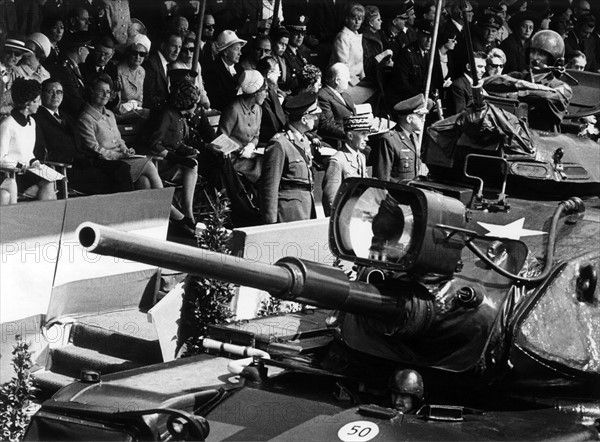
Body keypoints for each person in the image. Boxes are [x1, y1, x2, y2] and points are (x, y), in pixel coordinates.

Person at [34, 77, 134, 194]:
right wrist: (73, 160)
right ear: (41, 94)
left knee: (121, 168)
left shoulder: (67, 117)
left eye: (59, 92)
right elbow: (43, 152)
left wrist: (97, 156)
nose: (55, 95)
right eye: (51, 91)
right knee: (109, 178)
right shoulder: (37, 118)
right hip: (67, 167)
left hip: (85, 162)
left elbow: (81, 145)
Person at [77, 73, 163, 191]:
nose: (105, 95)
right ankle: (169, 208)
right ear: (91, 92)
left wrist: (125, 150)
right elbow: (93, 149)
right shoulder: (85, 119)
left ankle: (149, 209)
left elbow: (119, 140)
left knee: (144, 181)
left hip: (122, 160)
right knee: (149, 165)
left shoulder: (110, 114)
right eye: (101, 91)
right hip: (107, 165)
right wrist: (119, 155)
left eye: (108, 92)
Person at [484, 30, 573, 132]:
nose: (535, 57)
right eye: (532, 52)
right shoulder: (518, 77)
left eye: (541, 54)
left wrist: (517, 93)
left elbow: (548, 97)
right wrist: (520, 84)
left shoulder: (561, 87)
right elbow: (487, 83)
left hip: (544, 140)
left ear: (553, 59)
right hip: (515, 137)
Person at [147, 78, 200, 232]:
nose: (196, 107)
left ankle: (188, 213)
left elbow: (176, 142)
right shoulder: (167, 115)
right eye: (194, 103)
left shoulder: (180, 117)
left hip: (171, 160)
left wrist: (187, 150)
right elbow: (154, 144)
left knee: (193, 164)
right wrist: (176, 158)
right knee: (191, 166)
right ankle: (187, 218)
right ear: (187, 103)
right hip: (159, 162)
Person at [260, 92, 320, 224]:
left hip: (305, 208)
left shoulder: (304, 140)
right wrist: (271, 223)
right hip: (288, 212)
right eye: (313, 115)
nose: (315, 119)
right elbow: (270, 186)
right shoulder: (279, 144)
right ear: (304, 119)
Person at [0, 78, 55, 205]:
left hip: (26, 172)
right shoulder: (7, 124)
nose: (40, 105)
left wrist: (34, 161)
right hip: (10, 175)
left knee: (49, 181)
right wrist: (20, 166)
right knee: (46, 186)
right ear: (28, 103)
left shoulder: (32, 123)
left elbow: (28, 153)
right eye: (37, 101)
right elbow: (1, 157)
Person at [218, 69, 268, 183]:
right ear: (256, 92)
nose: (266, 94)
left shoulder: (258, 110)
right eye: (265, 91)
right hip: (233, 160)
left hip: (251, 157)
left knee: (271, 163)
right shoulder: (234, 109)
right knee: (264, 170)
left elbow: (256, 136)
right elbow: (221, 139)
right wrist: (240, 151)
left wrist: (250, 146)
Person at [371, 94, 431, 183]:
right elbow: (382, 178)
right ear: (409, 119)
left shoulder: (413, 137)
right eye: (420, 116)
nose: (424, 120)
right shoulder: (388, 140)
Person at [322, 114, 369, 216]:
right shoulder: (337, 160)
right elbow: (331, 198)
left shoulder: (361, 158)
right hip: (343, 217)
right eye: (363, 134)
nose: (367, 139)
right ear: (350, 136)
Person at [389, 19, 433, 108]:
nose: (429, 40)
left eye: (431, 36)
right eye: (425, 36)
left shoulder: (429, 54)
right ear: (418, 34)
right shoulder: (407, 54)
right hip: (405, 98)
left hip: (420, 98)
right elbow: (402, 84)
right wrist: (421, 96)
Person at [48, 31, 92, 118]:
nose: (89, 53)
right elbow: (74, 101)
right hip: (71, 117)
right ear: (80, 50)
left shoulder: (74, 67)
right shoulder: (63, 69)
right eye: (88, 49)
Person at [203, 30, 246, 112]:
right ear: (225, 51)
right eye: (237, 49)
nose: (240, 53)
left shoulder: (239, 69)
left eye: (240, 49)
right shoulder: (212, 71)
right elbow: (216, 101)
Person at [142, 30, 182, 109]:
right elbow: (149, 98)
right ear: (163, 46)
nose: (177, 51)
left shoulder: (168, 64)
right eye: (174, 46)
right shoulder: (151, 64)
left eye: (179, 47)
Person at [170, 31, 210, 109]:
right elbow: (188, 94)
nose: (189, 54)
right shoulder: (176, 67)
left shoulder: (196, 64)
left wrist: (206, 102)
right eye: (185, 50)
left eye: (191, 49)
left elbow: (201, 88)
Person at [317, 63, 355, 143]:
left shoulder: (345, 95)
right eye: (346, 77)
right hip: (340, 140)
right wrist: (351, 134)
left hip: (353, 137)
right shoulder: (323, 96)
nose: (349, 80)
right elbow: (328, 125)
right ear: (337, 80)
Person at [115, 33, 151, 118]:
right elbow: (116, 107)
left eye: (142, 54)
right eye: (134, 53)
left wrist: (133, 105)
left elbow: (140, 101)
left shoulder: (141, 71)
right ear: (128, 52)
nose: (138, 57)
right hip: (120, 115)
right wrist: (133, 105)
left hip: (136, 111)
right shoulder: (118, 71)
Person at [331, 3, 365, 87]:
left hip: (356, 80)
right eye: (354, 18)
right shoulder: (342, 37)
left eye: (360, 19)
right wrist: (358, 83)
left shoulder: (356, 35)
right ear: (346, 19)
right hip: (344, 81)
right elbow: (343, 65)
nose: (357, 22)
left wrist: (363, 78)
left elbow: (360, 63)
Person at [256, 56, 286, 143]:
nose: (280, 75)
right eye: (277, 72)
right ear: (269, 74)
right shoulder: (258, 94)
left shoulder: (272, 90)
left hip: (279, 137)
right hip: (265, 141)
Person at [1, 37, 33, 118]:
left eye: (17, 54)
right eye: (9, 52)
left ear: (21, 57)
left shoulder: (18, 75)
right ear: (3, 52)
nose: (12, 56)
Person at [282, 15, 310, 93]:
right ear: (289, 33)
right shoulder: (283, 54)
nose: (300, 37)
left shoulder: (301, 52)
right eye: (296, 33)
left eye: (303, 33)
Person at [361, 5, 388, 82]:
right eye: (378, 20)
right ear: (370, 23)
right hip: (372, 78)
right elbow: (367, 65)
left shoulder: (380, 34)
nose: (381, 21)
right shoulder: (364, 39)